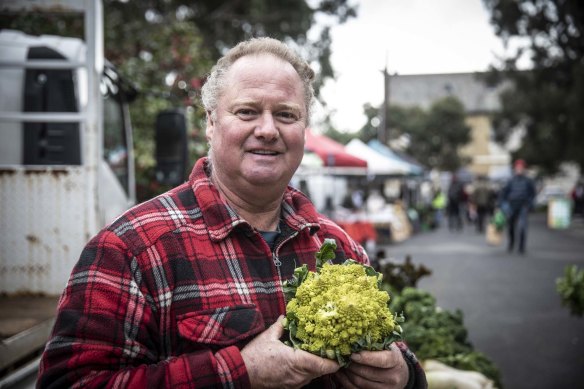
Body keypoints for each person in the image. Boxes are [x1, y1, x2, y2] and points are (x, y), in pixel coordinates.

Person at [38, 37, 426, 388]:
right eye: (247, 111)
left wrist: (403, 375)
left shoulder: (338, 247)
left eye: (287, 115)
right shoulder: (132, 248)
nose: (268, 129)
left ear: (304, 127)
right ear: (210, 122)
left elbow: (400, 356)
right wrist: (240, 372)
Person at [498, 159, 536, 254]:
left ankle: (521, 246)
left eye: (521, 168)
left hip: (523, 205)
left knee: (522, 226)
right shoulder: (510, 181)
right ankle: (511, 243)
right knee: (511, 226)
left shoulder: (528, 181)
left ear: (524, 169)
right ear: (515, 169)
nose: (519, 170)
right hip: (511, 206)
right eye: (517, 168)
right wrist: (502, 205)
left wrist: (530, 204)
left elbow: (532, 194)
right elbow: (503, 194)